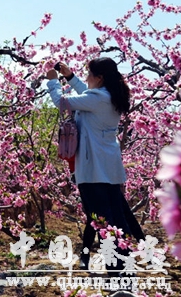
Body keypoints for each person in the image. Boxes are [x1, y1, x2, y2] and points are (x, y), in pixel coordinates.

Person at [46, 57, 144, 271]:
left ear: (99, 78)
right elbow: (86, 94)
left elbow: (62, 102)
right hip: (109, 168)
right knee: (115, 219)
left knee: (101, 220)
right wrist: (70, 77)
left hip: (93, 171)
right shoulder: (109, 95)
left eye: (89, 74)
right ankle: (123, 268)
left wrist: (53, 82)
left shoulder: (98, 97)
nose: (87, 77)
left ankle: (117, 270)